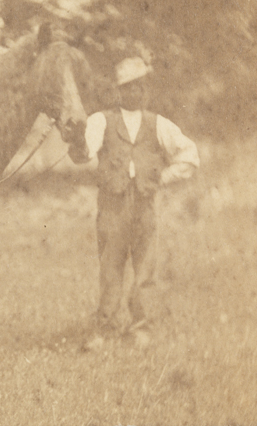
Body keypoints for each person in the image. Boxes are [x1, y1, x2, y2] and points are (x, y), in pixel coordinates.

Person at [69, 56, 199, 335]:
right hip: (112, 205)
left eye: (139, 87)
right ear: (117, 91)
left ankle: (141, 326)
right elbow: (85, 153)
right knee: (110, 267)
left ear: (146, 90)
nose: (134, 92)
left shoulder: (158, 124)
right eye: (127, 87)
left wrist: (161, 178)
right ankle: (105, 326)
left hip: (144, 204)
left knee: (144, 269)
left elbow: (189, 155)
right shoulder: (101, 121)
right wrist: (78, 143)